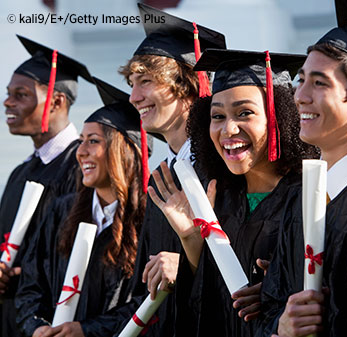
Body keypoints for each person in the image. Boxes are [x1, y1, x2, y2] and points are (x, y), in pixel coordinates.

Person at [148, 48, 319, 337]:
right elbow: (202, 310)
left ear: (279, 117)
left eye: (245, 113)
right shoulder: (219, 201)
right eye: (217, 116)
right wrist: (191, 242)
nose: (228, 128)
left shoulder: (309, 197)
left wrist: (275, 289)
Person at [255, 1, 347, 335]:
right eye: (301, 80)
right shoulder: (298, 198)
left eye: (319, 83)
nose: (300, 96)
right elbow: (271, 306)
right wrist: (283, 326)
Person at [113, 4, 226, 336]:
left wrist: (190, 264)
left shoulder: (223, 167)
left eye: (145, 81)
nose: (133, 97)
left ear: (187, 83)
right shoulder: (164, 176)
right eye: (132, 83)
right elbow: (141, 293)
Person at [14, 77, 154, 337]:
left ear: (123, 150)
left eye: (93, 141)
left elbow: (148, 303)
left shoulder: (149, 221)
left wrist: (86, 331)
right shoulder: (62, 212)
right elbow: (31, 287)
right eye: (81, 140)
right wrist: (38, 328)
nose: (81, 152)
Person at [0, 35, 93, 337]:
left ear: (56, 101)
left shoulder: (82, 168)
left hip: (52, 322)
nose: (7, 102)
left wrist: (20, 276)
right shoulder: (20, 172)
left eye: (21, 95)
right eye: (8, 93)